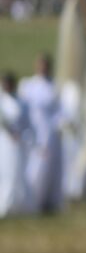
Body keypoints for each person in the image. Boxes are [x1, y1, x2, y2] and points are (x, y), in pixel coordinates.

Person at [18, 52, 63, 213]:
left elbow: (59, 111)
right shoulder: (28, 85)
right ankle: (32, 200)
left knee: (50, 167)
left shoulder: (53, 86)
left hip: (49, 133)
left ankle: (48, 200)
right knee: (34, 165)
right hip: (33, 132)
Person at [0, 71, 35, 217]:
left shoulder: (20, 101)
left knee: (18, 172)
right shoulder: (3, 101)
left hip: (18, 142)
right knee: (7, 173)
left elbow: (26, 121)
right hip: (5, 142)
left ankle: (19, 205)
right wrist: (9, 132)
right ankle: (6, 205)